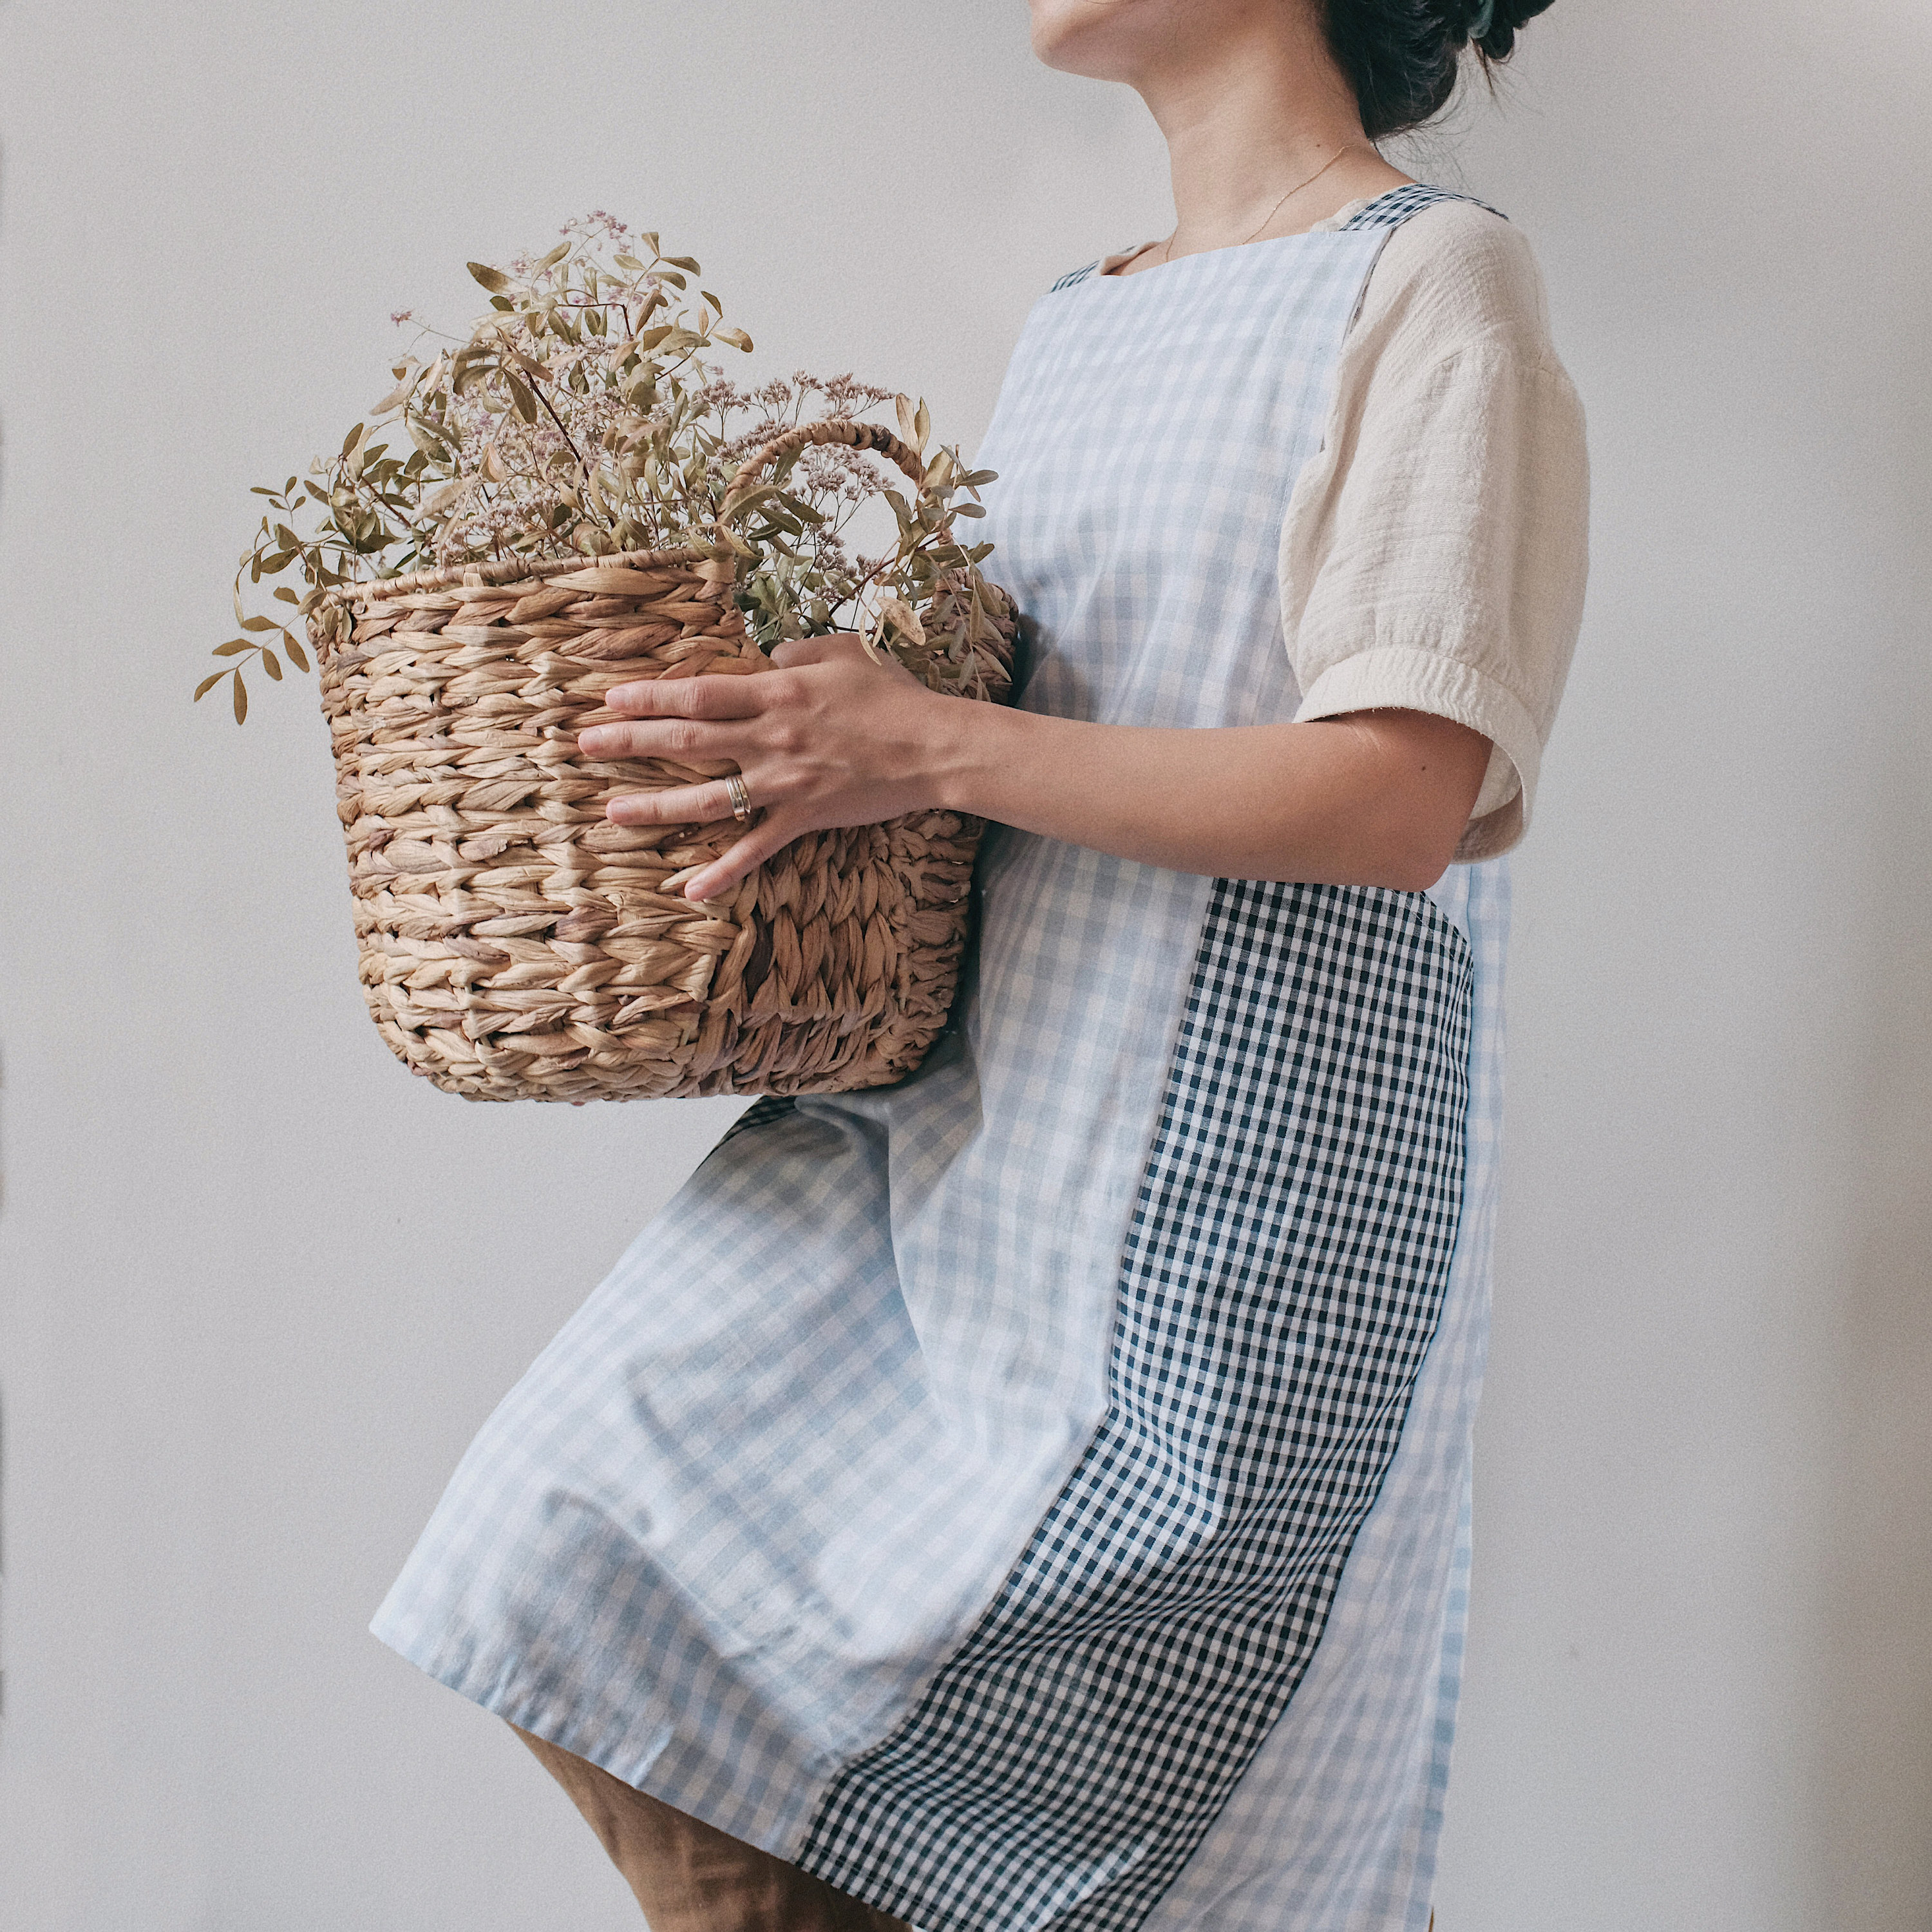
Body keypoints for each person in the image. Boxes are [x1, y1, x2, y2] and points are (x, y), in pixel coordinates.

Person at [372, 1, 1586, 1927]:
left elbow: (1400, 794)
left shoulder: (1437, 283)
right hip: (966, 1116)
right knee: (554, 1538)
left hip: (1219, 1181)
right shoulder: (1080, 320)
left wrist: (923, 744)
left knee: (1050, 1806)